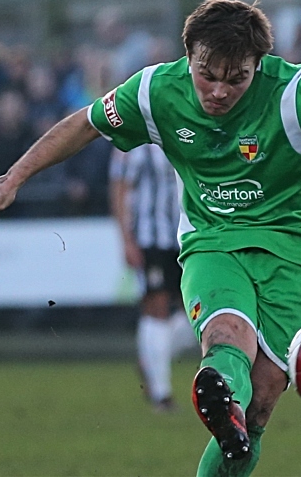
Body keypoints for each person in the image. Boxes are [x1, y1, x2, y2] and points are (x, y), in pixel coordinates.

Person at [0, 0, 301, 475]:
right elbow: (85, 124)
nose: (219, 90)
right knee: (226, 335)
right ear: (188, 55)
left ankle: (229, 411)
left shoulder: (295, 92)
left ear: (257, 66)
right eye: (207, 74)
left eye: (236, 78)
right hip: (212, 238)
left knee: (259, 403)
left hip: (296, 249)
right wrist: (12, 178)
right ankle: (220, 397)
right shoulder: (156, 90)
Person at [108, 143, 196, 412]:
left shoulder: (187, 130)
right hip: (150, 238)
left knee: (197, 313)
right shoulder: (133, 144)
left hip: (188, 237)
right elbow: (119, 188)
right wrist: (126, 239)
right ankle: (161, 394)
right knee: (156, 307)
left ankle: (151, 360)